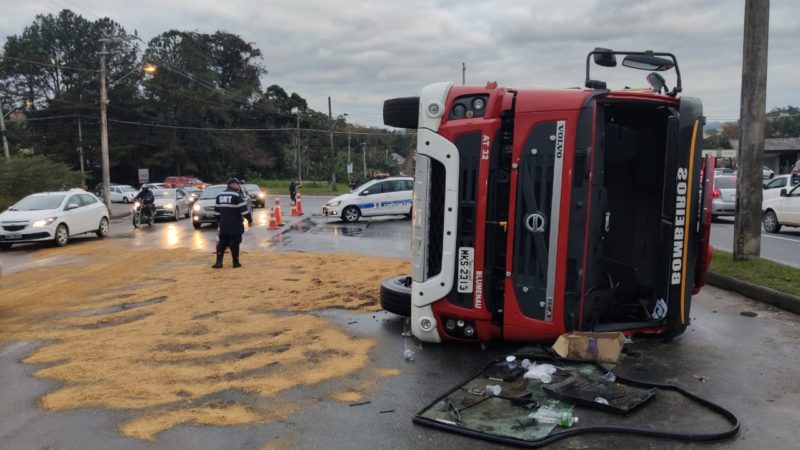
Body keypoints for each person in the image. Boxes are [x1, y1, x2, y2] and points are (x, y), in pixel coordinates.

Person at [212, 178, 253, 269]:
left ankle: (218, 262)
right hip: (235, 224)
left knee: (222, 243)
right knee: (235, 243)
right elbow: (245, 211)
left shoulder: (220, 195)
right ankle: (235, 262)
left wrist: (219, 223)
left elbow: (216, 213)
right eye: (237, 184)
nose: (239, 186)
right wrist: (250, 220)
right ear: (232, 184)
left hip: (224, 224)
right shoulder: (237, 195)